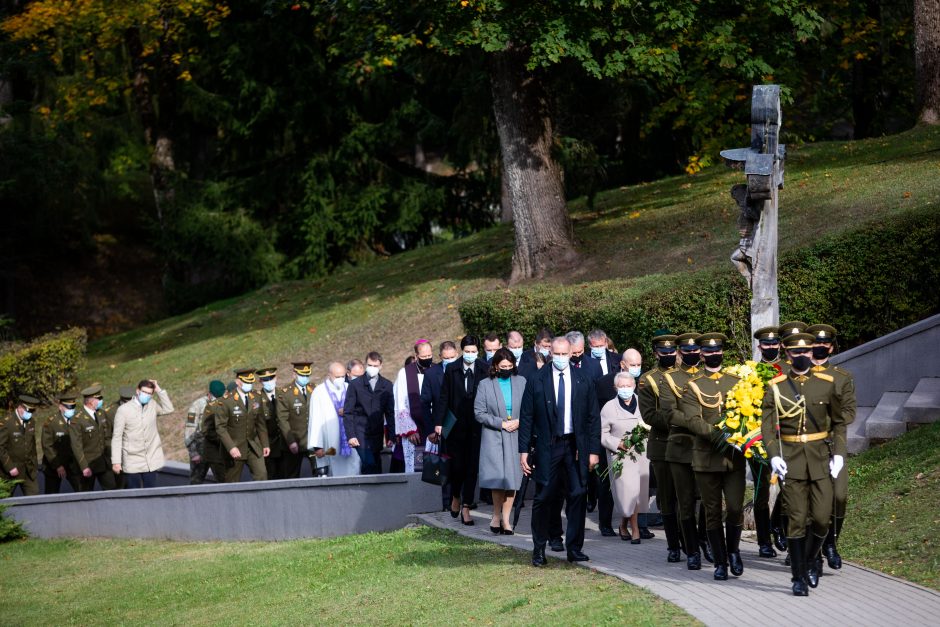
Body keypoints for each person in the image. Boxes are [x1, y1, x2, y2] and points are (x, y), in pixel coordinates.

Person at [762, 332, 847, 596]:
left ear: (812, 353)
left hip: (821, 459)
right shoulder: (776, 386)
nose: (802, 356)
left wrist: (839, 454)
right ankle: (798, 577)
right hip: (792, 460)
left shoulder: (827, 383)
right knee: (797, 520)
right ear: (787, 354)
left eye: (806, 352)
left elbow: (839, 422)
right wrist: (774, 454)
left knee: (822, 519)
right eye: (796, 353)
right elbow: (767, 426)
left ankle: (812, 559)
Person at [519, 335, 601, 566]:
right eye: (558, 354)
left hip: (575, 446)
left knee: (577, 493)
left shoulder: (583, 379)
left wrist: (593, 450)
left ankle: (574, 548)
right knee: (543, 496)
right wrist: (523, 450)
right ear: (550, 354)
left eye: (566, 354)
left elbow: (593, 418)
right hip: (548, 445)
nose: (562, 358)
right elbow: (526, 417)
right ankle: (539, 549)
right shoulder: (537, 380)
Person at [675, 333, 745, 581]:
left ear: (722, 353)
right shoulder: (692, 387)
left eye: (718, 351)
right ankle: (721, 561)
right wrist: (719, 436)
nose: (714, 355)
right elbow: (693, 421)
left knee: (736, 507)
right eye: (709, 351)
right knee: (712, 511)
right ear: (701, 354)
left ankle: (734, 550)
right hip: (706, 459)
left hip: (733, 459)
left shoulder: (737, 382)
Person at [807, 323, 856, 571]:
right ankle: (812, 549)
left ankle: (831, 544)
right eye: (815, 343)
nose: (820, 347)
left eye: (824, 344)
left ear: (831, 347)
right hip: (806, 446)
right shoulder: (800, 376)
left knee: (839, 495)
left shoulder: (842, 377)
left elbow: (849, 412)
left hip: (833, 443)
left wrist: (828, 417)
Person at [663, 332, 711, 569]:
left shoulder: (710, 376)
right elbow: (669, 413)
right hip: (681, 448)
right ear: (679, 353)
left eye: (696, 351)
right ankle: (691, 550)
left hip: (706, 448)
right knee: (685, 502)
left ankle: (705, 540)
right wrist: (700, 422)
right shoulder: (669, 379)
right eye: (687, 352)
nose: (692, 355)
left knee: (708, 501)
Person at [638, 333, 685, 562]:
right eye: (663, 353)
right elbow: (649, 415)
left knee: (687, 497)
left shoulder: (686, 375)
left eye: (671, 352)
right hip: (663, 445)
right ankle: (673, 545)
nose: (668, 356)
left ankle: (690, 540)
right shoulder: (649, 380)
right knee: (667, 498)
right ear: (656, 353)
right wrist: (682, 420)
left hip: (687, 445)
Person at [433, 335, 488, 524]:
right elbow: (444, 397)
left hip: (476, 425)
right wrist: (439, 422)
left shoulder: (484, 368)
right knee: (457, 467)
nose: (470, 355)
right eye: (467, 352)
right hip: (455, 426)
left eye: (474, 352)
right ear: (461, 351)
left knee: (472, 468)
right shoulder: (451, 369)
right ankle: (456, 495)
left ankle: (467, 506)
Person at [474, 347, 525, 534]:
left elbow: (529, 407)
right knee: (498, 478)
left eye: (510, 366)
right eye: (503, 366)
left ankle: (506, 519)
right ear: (495, 366)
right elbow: (479, 413)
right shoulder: (485, 384)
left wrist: (519, 421)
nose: (506, 368)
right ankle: (495, 515)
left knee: (512, 478)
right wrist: (500, 423)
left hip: (516, 433)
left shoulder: (522, 382)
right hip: (494, 434)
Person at [769, 320, 807, 555]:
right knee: (789, 490)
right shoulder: (778, 370)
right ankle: (782, 530)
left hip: (810, 440)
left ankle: (781, 526)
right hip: (785, 438)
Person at [601, 372, 650, 544]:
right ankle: (635, 529)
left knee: (637, 493)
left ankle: (623, 525)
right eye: (621, 386)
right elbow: (602, 433)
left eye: (628, 386)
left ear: (634, 386)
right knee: (628, 492)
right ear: (615, 388)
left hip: (641, 454)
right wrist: (617, 443)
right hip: (621, 456)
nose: (625, 389)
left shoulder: (643, 404)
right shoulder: (608, 407)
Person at [751, 326, 784, 558]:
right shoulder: (750, 373)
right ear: (759, 346)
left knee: (791, 488)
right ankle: (764, 541)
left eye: (774, 344)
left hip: (788, 439)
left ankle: (778, 524)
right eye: (766, 344)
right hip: (759, 439)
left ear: (780, 345)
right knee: (762, 491)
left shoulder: (789, 369)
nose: (770, 347)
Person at [111, 379, 174, 489]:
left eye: (149, 393)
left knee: (151, 493)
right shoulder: (123, 410)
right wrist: (116, 461)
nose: (146, 395)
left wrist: (159, 390)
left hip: (151, 459)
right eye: (144, 392)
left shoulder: (152, 405)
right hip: (132, 460)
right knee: (133, 493)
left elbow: (169, 409)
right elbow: (117, 437)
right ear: (137, 391)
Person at [210, 369, 269, 483]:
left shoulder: (256, 397)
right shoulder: (226, 401)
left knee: (262, 475)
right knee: (232, 482)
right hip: (235, 447)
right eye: (246, 382)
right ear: (237, 382)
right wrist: (231, 447)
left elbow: (260, 422)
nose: (249, 385)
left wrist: (265, 444)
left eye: (251, 382)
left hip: (253, 446)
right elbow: (220, 427)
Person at [421, 340, 459, 510]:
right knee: (445, 464)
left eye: (452, 357)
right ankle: (446, 501)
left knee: (463, 464)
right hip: (442, 427)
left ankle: (463, 500)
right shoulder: (431, 374)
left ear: (457, 355)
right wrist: (430, 429)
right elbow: (424, 403)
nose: (449, 360)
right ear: (440, 357)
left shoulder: (463, 370)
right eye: (446, 358)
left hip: (463, 425)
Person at [343, 352, 395, 475]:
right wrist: (351, 435)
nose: (372, 368)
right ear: (366, 365)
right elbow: (348, 412)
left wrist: (391, 435)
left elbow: (390, 412)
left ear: (381, 366)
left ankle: (376, 493)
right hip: (360, 432)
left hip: (376, 433)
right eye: (370, 365)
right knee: (369, 463)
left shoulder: (387, 385)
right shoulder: (355, 385)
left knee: (376, 465)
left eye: (375, 366)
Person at [309, 361, 361, 477]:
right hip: (330, 444)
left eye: (343, 376)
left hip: (350, 441)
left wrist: (347, 410)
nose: (341, 379)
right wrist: (317, 446)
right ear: (329, 375)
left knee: (354, 469)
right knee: (334, 473)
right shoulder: (319, 392)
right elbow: (315, 420)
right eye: (337, 377)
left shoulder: (350, 388)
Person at [394, 340, 436, 472]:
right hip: (415, 429)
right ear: (416, 356)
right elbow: (400, 403)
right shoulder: (405, 373)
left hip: (435, 429)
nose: (427, 359)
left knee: (435, 470)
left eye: (430, 356)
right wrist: (410, 430)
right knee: (417, 469)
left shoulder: (437, 370)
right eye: (424, 357)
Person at [70, 385, 117, 491]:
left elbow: (107, 437)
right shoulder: (77, 420)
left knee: (112, 490)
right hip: (88, 464)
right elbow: (76, 446)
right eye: (99, 398)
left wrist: (111, 456)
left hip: (103, 463)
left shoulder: (101, 414)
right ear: (91, 401)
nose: (101, 401)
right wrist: (84, 466)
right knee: (85, 495)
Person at [277, 361, 316, 478]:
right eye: (302, 375)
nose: (305, 377)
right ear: (294, 374)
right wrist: (291, 441)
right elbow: (282, 419)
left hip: (312, 440)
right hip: (295, 441)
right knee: (292, 475)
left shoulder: (314, 389)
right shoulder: (285, 393)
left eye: (307, 375)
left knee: (318, 471)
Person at [185, 380, 224, 484]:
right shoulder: (197, 405)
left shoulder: (224, 403)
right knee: (196, 482)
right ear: (209, 394)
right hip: (200, 449)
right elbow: (190, 429)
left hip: (217, 449)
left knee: (223, 481)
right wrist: (193, 452)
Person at [0, 394, 41, 496]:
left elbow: (32, 444)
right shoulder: (7, 423)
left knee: (34, 498)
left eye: (32, 411)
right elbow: (0, 447)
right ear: (20, 407)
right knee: (5, 501)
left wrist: (34, 464)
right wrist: (9, 467)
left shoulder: (31, 422)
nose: (30, 414)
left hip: (28, 470)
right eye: (29, 410)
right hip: (10, 472)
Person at [42, 393, 82, 493]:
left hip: (73, 464)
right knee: (51, 494)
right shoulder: (51, 422)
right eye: (68, 407)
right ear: (60, 407)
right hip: (54, 464)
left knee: (81, 490)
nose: (71, 410)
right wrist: (57, 465)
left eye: (73, 407)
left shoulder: (78, 419)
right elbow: (47, 445)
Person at [257, 367, 287, 480]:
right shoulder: (257, 399)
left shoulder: (284, 394)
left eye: (271, 378)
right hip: (268, 446)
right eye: (265, 379)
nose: (269, 382)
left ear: (276, 378)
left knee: (288, 476)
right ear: (260, 381)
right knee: (271, 476)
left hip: (285, 443)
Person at [102, 386, 134, 489]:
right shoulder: (111, 413)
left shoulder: (138, 407)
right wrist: (115, 458)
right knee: (121, 486)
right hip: (119, 456)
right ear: (122, 400)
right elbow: (107, 437)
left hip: (135, 455)